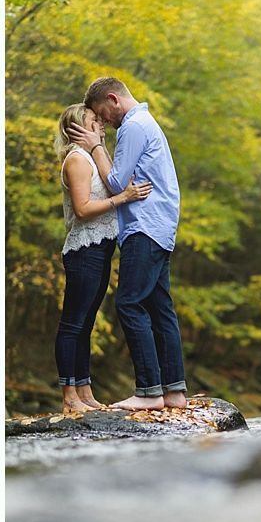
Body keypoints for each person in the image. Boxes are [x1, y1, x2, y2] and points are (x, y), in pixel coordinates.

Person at [69, 77, 188, 411]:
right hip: (160, 226)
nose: (103, 122)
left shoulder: (134, 127)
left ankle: (149, 391)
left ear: (112, 99)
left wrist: (95, 146)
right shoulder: (146, 123)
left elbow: (118, 183)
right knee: (159, 306)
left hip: (144, 227)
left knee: (129, 304)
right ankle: (174, 392)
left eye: (101, 114)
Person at [53, 103, 152, 412]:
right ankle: (69, 396)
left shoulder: (95, 156)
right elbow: (82, 209)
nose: (101, 123)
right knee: (73, 323)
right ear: (78, 130)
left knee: (86, 324)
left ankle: (85, 392)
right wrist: (122, 198)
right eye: (93, 120)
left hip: (101, 248)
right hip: (84, 250)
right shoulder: (77, 160)